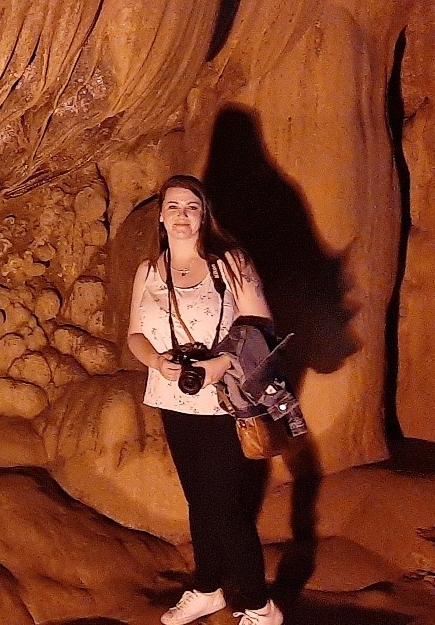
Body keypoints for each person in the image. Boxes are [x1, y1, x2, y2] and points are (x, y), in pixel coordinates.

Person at [126, 174, 284, 625]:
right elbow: (134, 334)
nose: (181, 215)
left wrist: (219, 364)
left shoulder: (230, 264)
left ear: (204, 213)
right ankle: (208, 588)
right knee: (199, 500)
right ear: (160, 214)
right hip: (173, 399)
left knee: (224, 507)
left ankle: (259, 605)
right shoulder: (149, 270)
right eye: (173, 207)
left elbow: (261, 327)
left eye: (190, 207)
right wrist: (157, 362)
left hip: (223, 400)